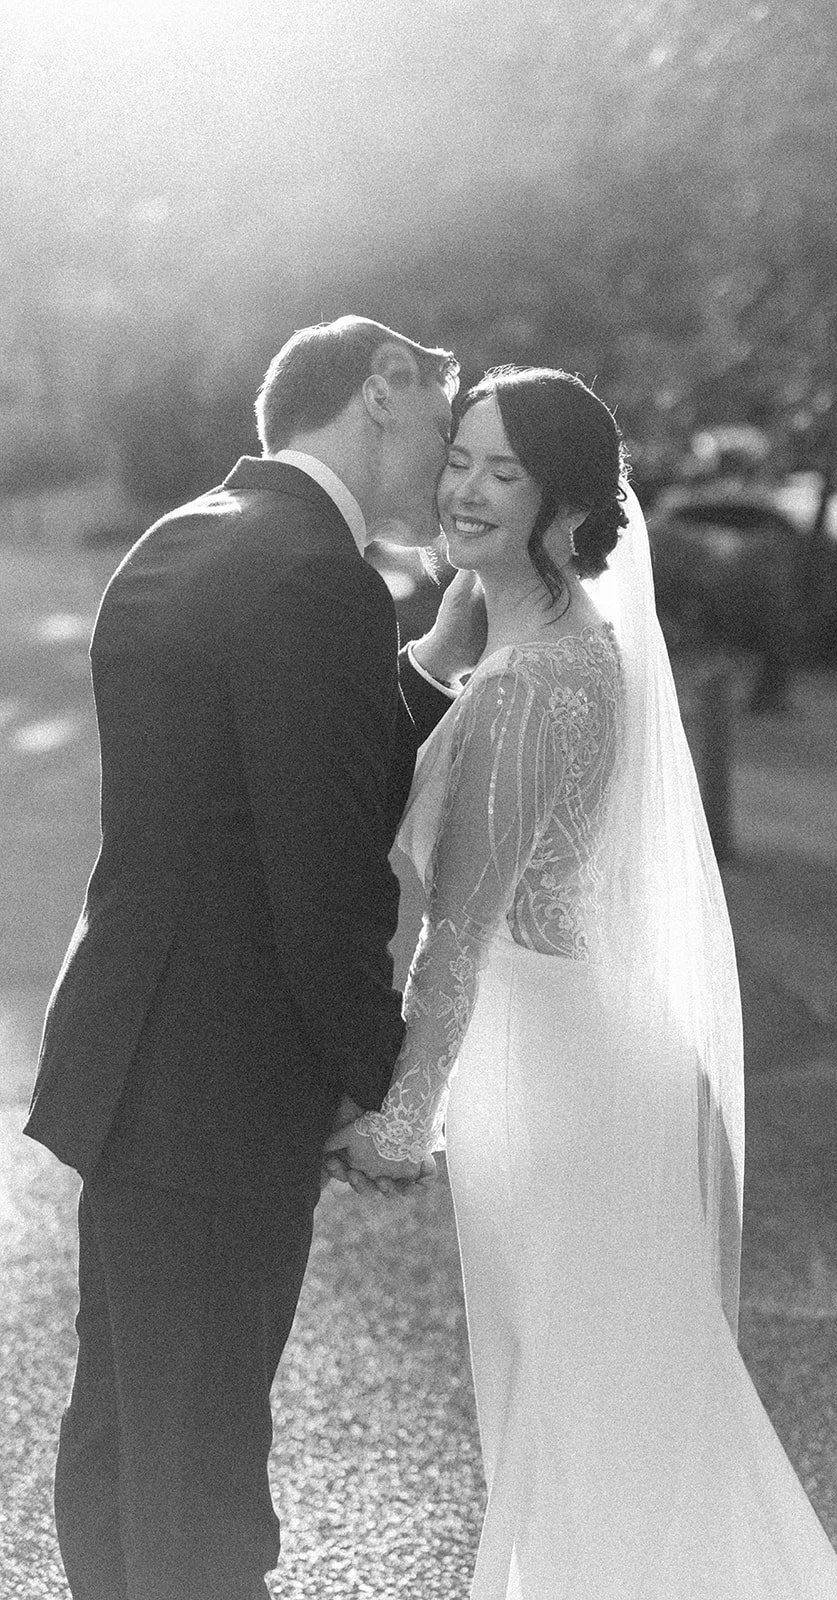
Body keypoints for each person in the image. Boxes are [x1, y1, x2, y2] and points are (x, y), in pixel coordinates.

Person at [326, 367, 837, 1596]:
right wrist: (447, 634)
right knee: (592, 1403)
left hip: (557, 1084)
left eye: (498, 471)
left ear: (559, 503)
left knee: (587, 1409)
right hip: (574, 1053)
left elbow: (457, 936)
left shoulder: (531, 684)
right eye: (456, 456)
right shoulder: (534, 641)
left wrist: (403, 1119)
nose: (460, 486)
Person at [24, 314, 485, 1600]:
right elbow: (321, 870)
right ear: (381, 392)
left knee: (121, 1429)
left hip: (130, 1057)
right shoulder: (320, 578)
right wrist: (378, 1079)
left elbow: (265, 777)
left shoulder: (183, 539)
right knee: (205, 1462)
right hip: (223, 1084)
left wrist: (431, 666)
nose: (448, 468)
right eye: (443, 427)